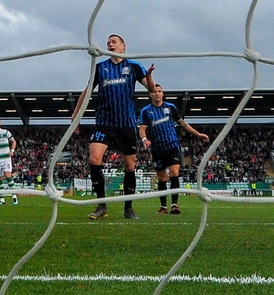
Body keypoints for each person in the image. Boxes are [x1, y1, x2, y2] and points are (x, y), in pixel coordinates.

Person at [71, 34, 155, 220]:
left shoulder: (133, 67)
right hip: (104, 123)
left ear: (123, 46)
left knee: (129, 166)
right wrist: (76, 115)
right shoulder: (101, 68)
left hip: (126, 124)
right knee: (94, 159)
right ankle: (101, 205)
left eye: (113, 42)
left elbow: (151, 90)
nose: (110, 44)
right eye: (108, 42)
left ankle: (128, 208)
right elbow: (86, 92)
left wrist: (149, 77)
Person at [139, 84, 208, 215]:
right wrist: (144, 139)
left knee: (175, 173)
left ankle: (175, 205)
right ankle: (163, 206)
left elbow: (182, 123)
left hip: (172, 146)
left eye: (159, 91)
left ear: (163, 93)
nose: (157, 94)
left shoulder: (170, 107)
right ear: (150, 94)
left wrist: (197, 134)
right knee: (162, 177)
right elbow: (142, 128)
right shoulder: (146, 111)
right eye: (154, 92)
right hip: (157, 149)